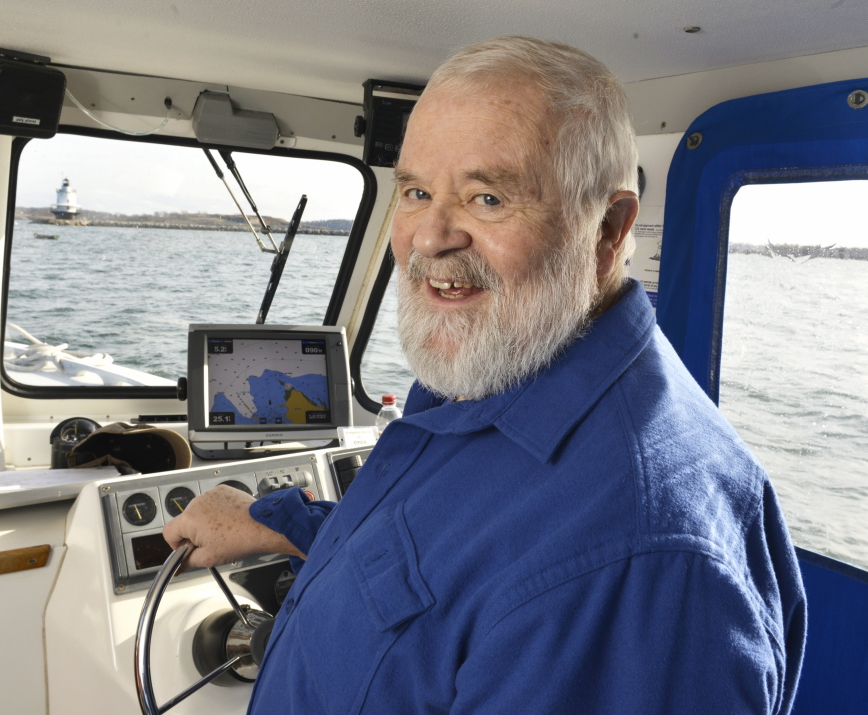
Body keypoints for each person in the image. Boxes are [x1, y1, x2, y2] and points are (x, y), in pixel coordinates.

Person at [165, 36, 806, 714]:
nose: (430, 236)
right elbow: (436, 568)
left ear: (607, 230)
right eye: (415, 191)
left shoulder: (640, 560)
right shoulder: (493, 367)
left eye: (487, 198)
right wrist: (279, 523)